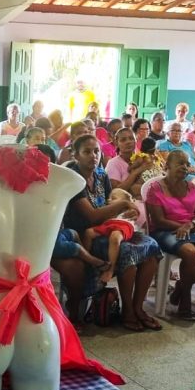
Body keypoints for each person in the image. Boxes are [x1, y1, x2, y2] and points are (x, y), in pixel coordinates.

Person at [57, 135, 162, 331]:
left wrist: (123, 212)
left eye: (96, 151)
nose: (93, 156)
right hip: (84, 233)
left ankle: (138, 308)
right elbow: (90, 217)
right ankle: (128, 311)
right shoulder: (73, 179)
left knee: (151, 247)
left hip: (104, 226)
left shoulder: (100, 175)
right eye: (87, 152)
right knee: (127, 252)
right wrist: (122, 204)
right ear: (76, 155)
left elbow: (105, 205)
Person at [145, 150, 195, 320]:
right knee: (191, 253)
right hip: (165, 231)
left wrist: (190, 225)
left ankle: (180, 288)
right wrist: (185, 227)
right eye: (180, 163)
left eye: (187, 164)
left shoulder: (192, 187)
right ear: (167, 166)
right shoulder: (155, 188)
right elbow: (159, 220)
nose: (184, 167)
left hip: (190, 229)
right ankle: (185, 302)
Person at [81, 188, 139, 286]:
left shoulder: (129, 209)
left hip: (123, 225)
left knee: (115, 237)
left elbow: (136, 213)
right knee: (88, 233)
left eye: (114, 198)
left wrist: (133, 211)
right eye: (109, 198)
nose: (109, 200)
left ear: (126, 200)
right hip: (109, 224)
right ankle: (85, 262)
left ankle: (110, 269)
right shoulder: (110, 210)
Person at [105, 127, 149, 198]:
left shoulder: (143, 158)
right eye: (123, 140)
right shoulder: (113, 163)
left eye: (131, 138)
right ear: (116, 143)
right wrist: (135, 173)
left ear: (135, 141)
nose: (128, 142)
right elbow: (116, 191)